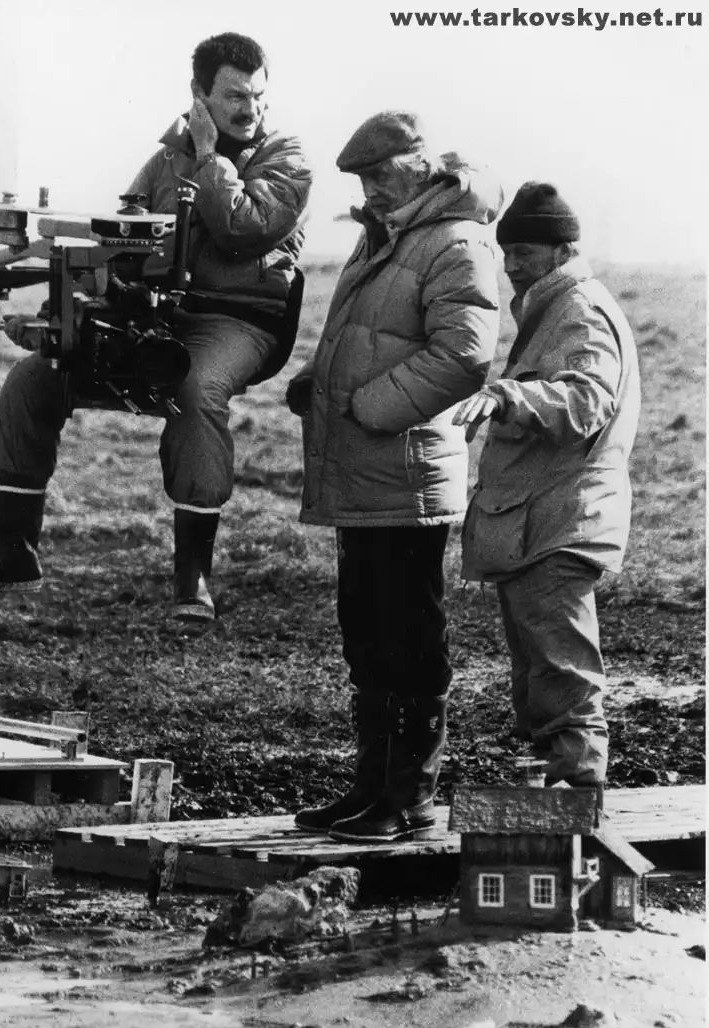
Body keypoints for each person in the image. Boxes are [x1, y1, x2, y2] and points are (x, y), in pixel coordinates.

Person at [0, 32, 312, 621]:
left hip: (239, 318)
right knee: (35, 378)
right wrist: (66, 307)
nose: (251, 109)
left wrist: (208, 156)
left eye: (258, 96)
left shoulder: (287, 158)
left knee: (195, 390)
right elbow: (122, 242)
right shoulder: (163, 160)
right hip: (159, 312)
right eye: (236, 96)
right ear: (199, 94)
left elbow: (242, 229)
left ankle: (192, 576)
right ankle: (14, 548)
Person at [286, 111, 502, 843]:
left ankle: (408, 798)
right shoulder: (387, 234)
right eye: (362, 178)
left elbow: (464, 355)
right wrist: (319, 381)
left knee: (409, 636)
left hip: (407, 477)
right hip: (368, 473)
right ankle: (371, 787)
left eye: (380, 174)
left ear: (418, 166)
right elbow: (370, 336)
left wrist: (370, 407)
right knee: (368, 632)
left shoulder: (456, 240)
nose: (370, 189)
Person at [452, 182, 641, 790]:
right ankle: (556, 799)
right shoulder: (553, 307)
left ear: (563, 251)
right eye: (506, 253)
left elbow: (588, 402)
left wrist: (508, 396)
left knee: (562, 673)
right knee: (544, 670)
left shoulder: (577, 310)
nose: (511, 266)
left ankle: (577, 796)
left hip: (559, 523)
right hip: (542, 521)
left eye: (525, 253)